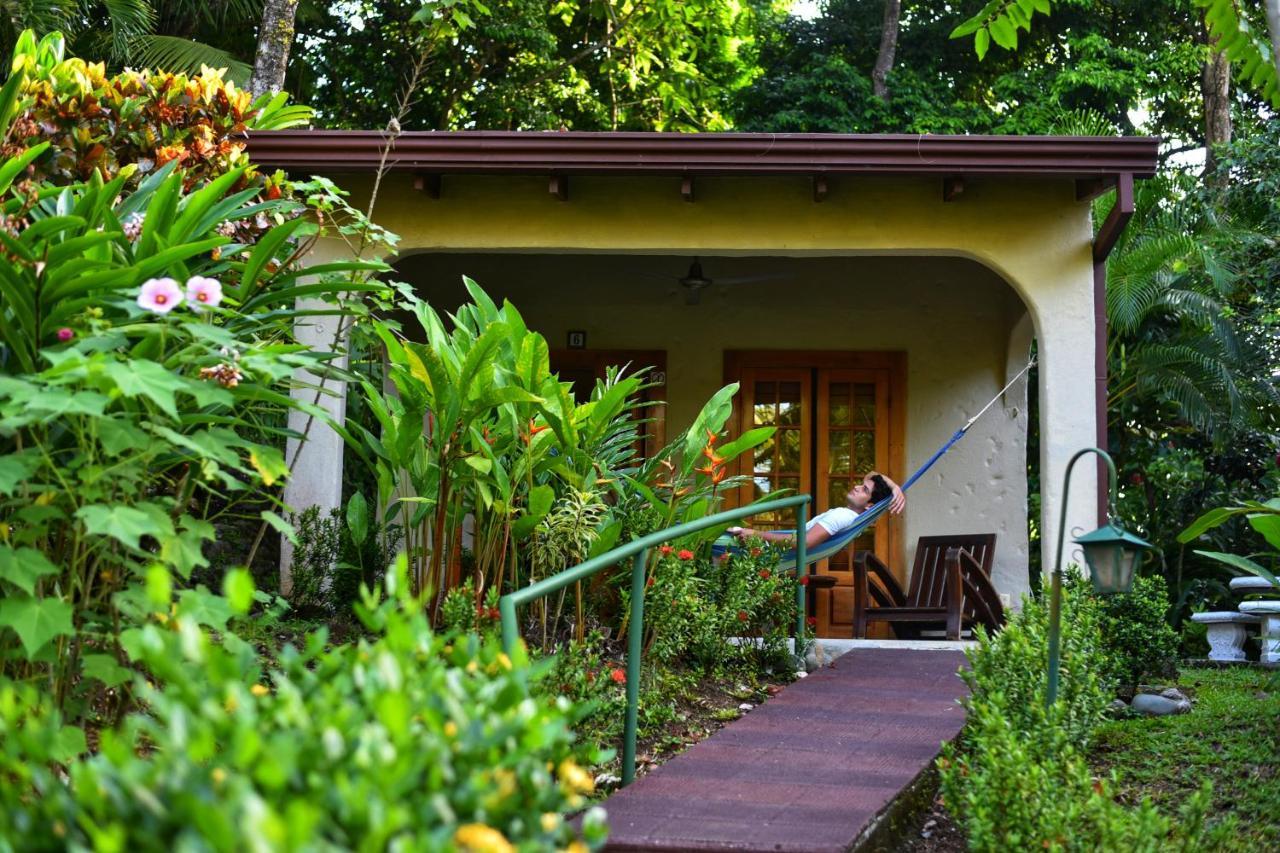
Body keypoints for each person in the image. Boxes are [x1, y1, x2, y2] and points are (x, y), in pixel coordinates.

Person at [728, 471, 905, 549]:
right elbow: (872, 474)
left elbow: (804, 543)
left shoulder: (842, 515)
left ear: (869, 506)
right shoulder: (852, 518)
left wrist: (755, 534)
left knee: (714, 536)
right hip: (771, 549)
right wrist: (895, 487)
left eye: (865, 489)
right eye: (861, 484)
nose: (857, 486)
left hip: (770, 552)